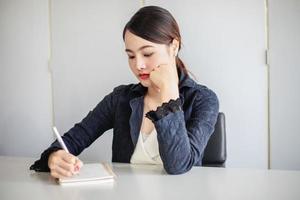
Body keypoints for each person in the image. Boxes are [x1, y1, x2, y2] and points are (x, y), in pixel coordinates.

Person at [30, 6, 219, 176]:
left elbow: (178, 166)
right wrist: (54, 157)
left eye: (147, 54)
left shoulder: (203, 100)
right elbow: (73, 139)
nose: (138, 65)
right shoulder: (121, 98)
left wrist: (169, 92)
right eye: (130, 56)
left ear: (174, 46)